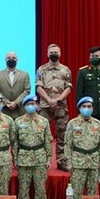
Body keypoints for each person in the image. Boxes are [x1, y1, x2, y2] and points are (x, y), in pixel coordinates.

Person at [75, 46, 100, 173]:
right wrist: (80, 111)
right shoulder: (83, 72)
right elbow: (79, 92)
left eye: (97, 56)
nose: (94, 58)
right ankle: (87, 161)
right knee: (87, 136)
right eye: (92, 56)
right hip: (88, 112)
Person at [35, 44, 73, 172]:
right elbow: (38, 87)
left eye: (56, 52)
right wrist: (48, 100)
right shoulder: (42, 69)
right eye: (51, 52)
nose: (53, 54)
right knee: (41, 135)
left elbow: (68, 87)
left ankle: (62, 161)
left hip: (61, 106)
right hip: (45, 106)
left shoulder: (66, 70)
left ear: (60, 53)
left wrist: (58, 99)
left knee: (62, 135)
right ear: (47, 54)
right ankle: (41, 161)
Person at [13, 95, 53, 199]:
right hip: (24, 158)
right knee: (23, 189)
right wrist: (15, 160)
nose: (31, 106)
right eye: (28, 104)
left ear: (37, 105)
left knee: (40, 189)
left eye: (33, 104)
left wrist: (49, 158)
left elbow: (47, 141)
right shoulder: (18, 122)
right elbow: (15, 143)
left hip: (40, 158)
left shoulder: (44, 121)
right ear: (24, 106)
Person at [65, 96, 100, 199]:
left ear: (92, 109)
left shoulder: (98, 124)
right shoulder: (72, 124)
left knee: (92, 193)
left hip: (93, 162)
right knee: (76, 192)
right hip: (78, 162)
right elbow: (68, 144)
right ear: (79, 108)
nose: (86, 109)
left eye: (89, 106)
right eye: (84, 106)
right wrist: (69, 162)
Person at [0, 51, 31, 119]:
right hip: (4, 110)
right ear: (5, 60)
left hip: (20, 111)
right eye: (9, 58)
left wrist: (16, 103)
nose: (11, 59)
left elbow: (27, 90)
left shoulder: (24, 74)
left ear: (17, 60)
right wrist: (7, 103)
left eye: (13, 58)